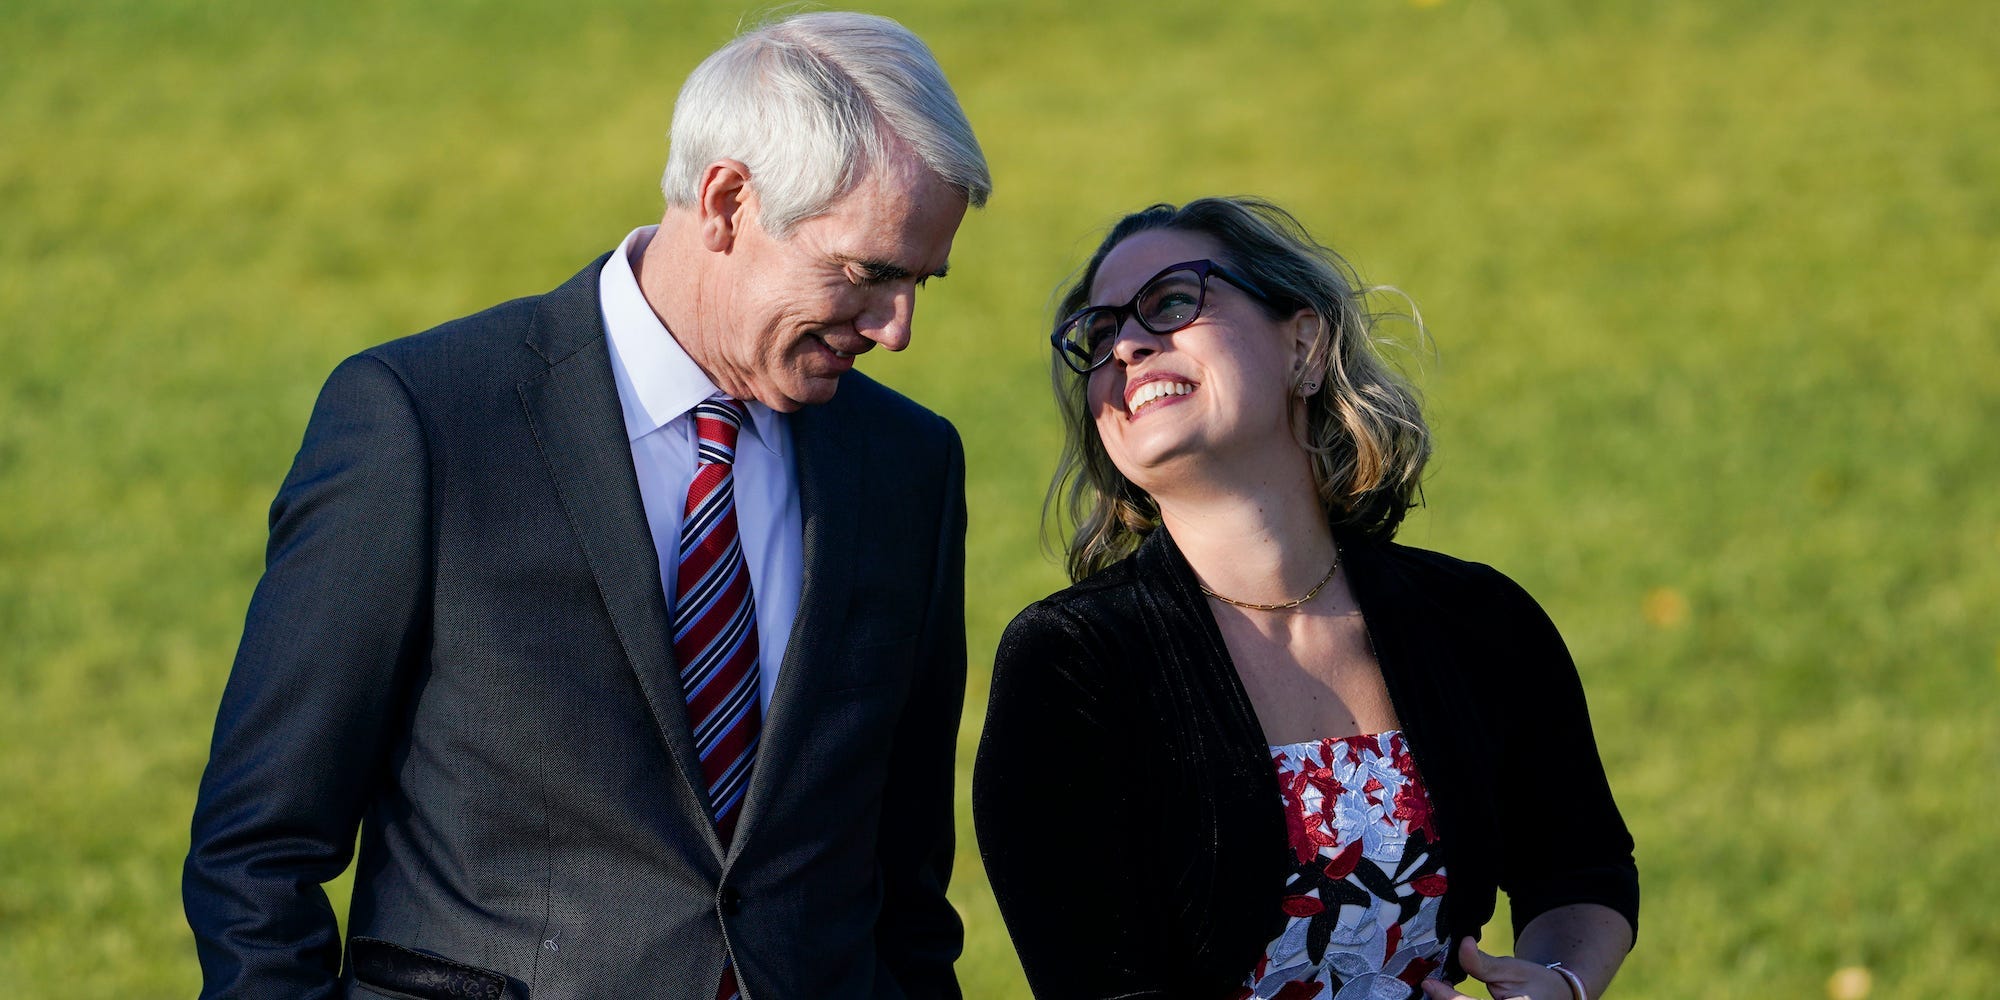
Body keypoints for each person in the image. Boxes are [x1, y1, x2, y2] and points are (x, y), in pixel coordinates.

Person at [184, 12, 988, 999]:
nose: (896, 327)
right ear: (728, 200)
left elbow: (904, 884)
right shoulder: (425, 423)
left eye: (920, 280)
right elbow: (256, 851)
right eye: (869, 273)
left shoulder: (907, 464)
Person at [974, 198, 1636, 1000]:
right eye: (1098, 334)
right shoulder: (1072, 662)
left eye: (1172, 301)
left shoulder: (1477, 620)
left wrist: (1559, 983)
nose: (1127, 345)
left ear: (1304, 344)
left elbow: (1580, 868)